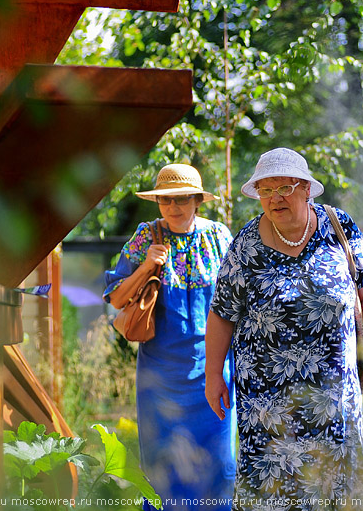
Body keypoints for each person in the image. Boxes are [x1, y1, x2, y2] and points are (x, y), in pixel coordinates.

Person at [204, 148, 363, 510]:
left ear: (305, 188)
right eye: (266, 191)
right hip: (266, 406)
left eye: (284, 188)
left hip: (332, 399)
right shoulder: (245, 246)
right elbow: (222, 314)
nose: (275, 199)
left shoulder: (340, 226)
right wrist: (213, 376)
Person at [104, 163, 236, 511]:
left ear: (197, 200)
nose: (174, 208)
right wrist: (147, 266)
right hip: (160, 377)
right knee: (163, 469)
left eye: (181, 200)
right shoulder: (146, 236)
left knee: (218, 467)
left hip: (215, 372)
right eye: (165, 200)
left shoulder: (220, 237)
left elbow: (241, 298)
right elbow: (116, 298)